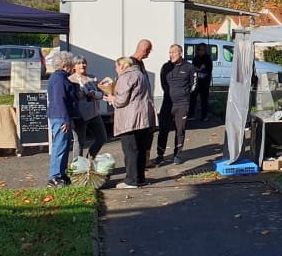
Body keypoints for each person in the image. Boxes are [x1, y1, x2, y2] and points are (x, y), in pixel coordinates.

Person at [107, 56, 157, 189]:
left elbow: (121, 100)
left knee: (130, 149)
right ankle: (140, 178)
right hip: (143, 117)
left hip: (130, 119)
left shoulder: (125, 77)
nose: (116, 69)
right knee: (140, 149)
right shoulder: (140, 74)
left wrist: (112, 98)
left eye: (116, 66)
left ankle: (131, 180)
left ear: (122, 66)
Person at [155, 44, 194, 166]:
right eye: (169, 52)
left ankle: (177, 155)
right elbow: (163, 83)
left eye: (174, 52)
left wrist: (184, 94)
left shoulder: (189, 67)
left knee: (180, 130)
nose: (171, 55)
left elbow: (194, 84)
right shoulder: (166, 67)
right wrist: (169, 93)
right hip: (167, 103)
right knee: (163, 129)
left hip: (182, 104)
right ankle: (160, 155)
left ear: (180, 53)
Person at [47, 51, 79, 187]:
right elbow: (60, 100)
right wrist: (65, 120)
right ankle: (54, 177)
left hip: (60, 115)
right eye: (71, 62)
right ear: (66, 64)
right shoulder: (59, 79)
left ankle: (61, 174)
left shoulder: (61, 77)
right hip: (60, 117)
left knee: (64, 147)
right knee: (59, 147)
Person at [69, 56, 108, 160]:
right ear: (74, 66)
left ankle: (88, 160)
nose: (82, 65)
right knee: (79, 143)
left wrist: (94, 94)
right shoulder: (71, 80)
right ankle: (77, 168)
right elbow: (68, 97)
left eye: (84, 63)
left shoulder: (92, 78)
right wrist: (76, 95)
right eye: (79, 63)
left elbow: (102, 93)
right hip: (79, 116)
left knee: (102, 138)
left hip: (94, 114)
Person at [189, 42, 213, 121]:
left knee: (204, 99)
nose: (198, 51)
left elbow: (208, 69)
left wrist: (200, 69)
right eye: (198, 49)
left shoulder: (207, 58)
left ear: (204, 50)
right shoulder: (195, 58)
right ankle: (191, 114)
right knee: (193, 98)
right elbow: (193, 67)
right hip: (196, 81)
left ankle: (204, 116)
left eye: (200, 49)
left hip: (205, 81)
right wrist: (198, 69)